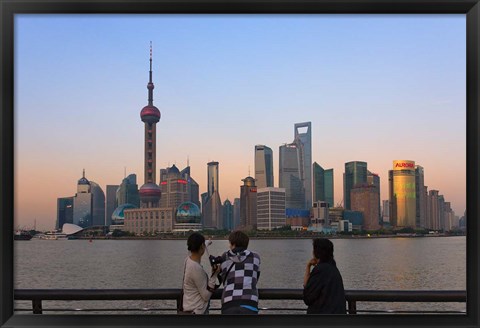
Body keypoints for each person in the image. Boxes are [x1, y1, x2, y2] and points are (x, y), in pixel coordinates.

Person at [219, 230, 261, 314]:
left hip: (229, 302)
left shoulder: (225, 256)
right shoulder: (255, 257)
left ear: (233, 244)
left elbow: (222, 279)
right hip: (250, 302)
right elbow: (256, 278)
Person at [303, 238, 346, 314]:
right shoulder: (333, 268)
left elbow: (307, 297)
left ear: (316, 253)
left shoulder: (320, 270)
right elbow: (308, 287)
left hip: (322, 321)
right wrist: (308, 266)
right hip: (337, 320)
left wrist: (308, 266)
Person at [181, 232, 220, 314]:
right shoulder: (195, 268)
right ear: (202, 247)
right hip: (197, 312)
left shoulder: (188, 260)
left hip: (190, 308)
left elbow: (200, 246)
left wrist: (207, 243)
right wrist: (214, 275)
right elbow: (206, 296)